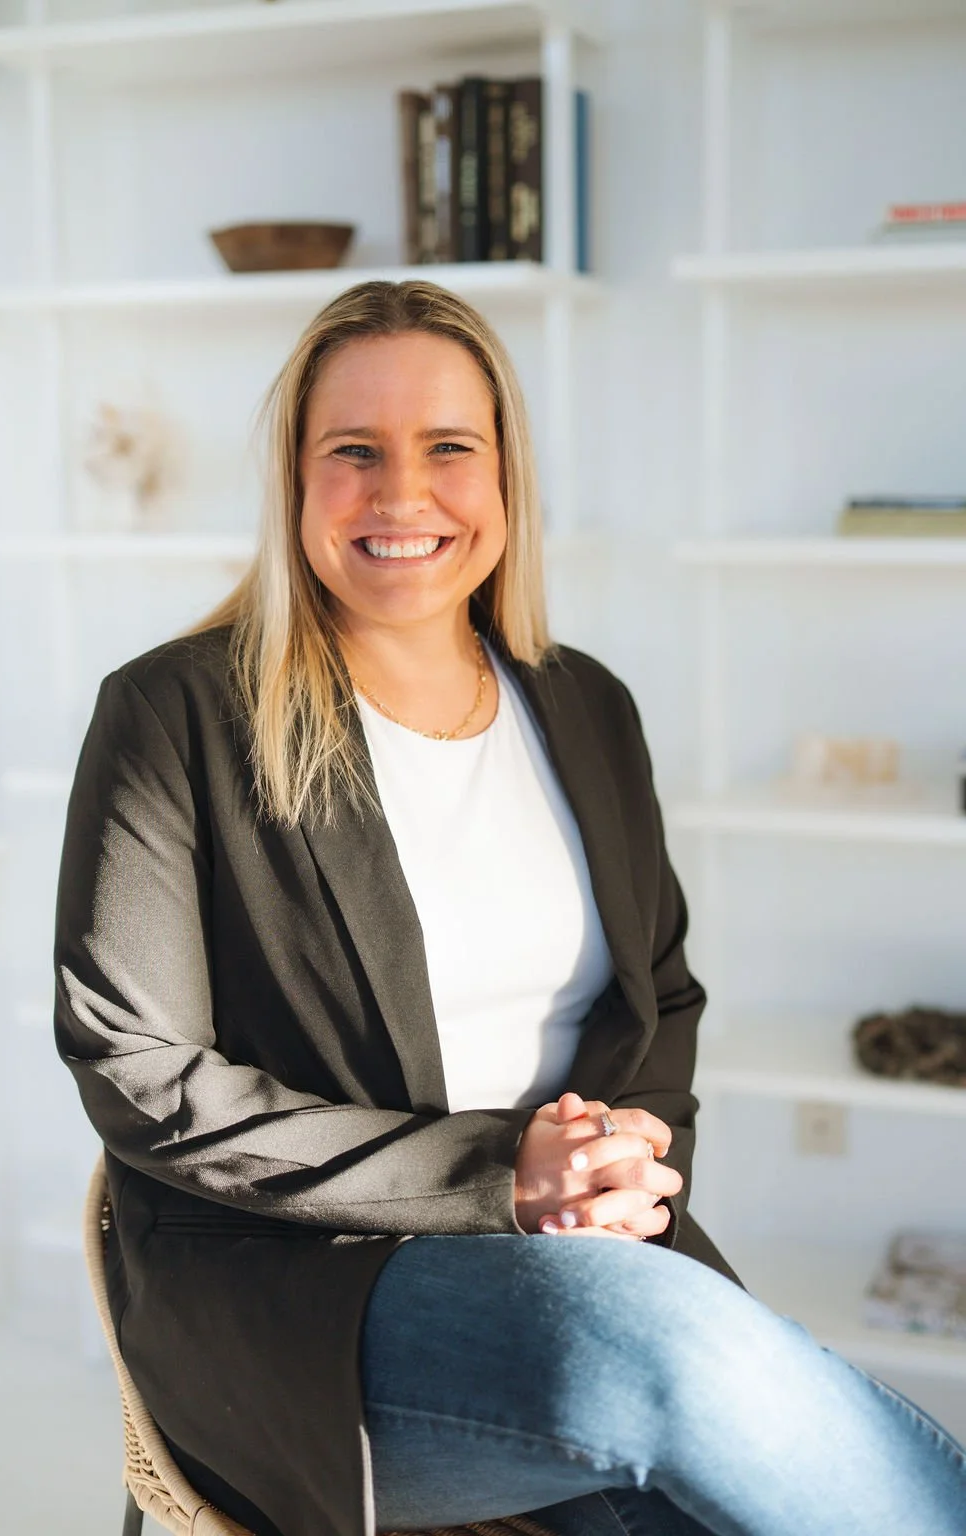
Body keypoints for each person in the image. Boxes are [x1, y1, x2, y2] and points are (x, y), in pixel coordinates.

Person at [53, 279, 966, 1536]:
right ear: (294, 480)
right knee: (673, 1362)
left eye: (447, 449)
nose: (402, 495)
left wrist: (622, 1167)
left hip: (576, 1265)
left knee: (698, 1470)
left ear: (504, 476)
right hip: (299, 1293)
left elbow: (660, 997)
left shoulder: (585, 704)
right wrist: (500, 1179)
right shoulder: (175, 716)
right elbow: (138, 1069)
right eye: (353, 453)